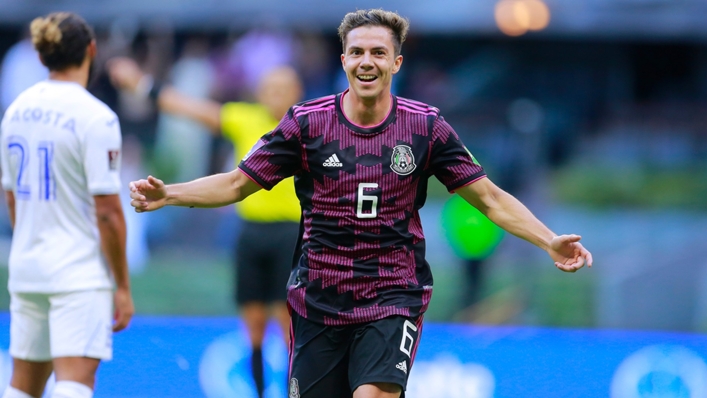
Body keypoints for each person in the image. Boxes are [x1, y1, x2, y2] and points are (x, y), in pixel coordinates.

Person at [128, 8, 592, 398]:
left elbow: (489, 199)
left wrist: (549, 240)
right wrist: (170, 194)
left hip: (392, 296)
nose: (366, 62)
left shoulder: (425, 127)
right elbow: (236, 185)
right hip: (317, 301)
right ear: (344, 59)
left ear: (396, 62)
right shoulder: (306, 124)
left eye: (378, 53)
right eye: (357, 52)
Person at [107, 58, 303, 398]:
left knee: (289, 329)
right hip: (252, 234)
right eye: (271, 89)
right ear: (260, 94)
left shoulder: (306, 127)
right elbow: (186, 107)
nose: (277, 96)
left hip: (291, 236)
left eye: (284, 90)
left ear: (297, 94)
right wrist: (141, 85)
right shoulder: (245, 118)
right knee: (253, 327)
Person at [0, 12, 133, 398]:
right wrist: (122, 285)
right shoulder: (96, 117)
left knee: (23, 385)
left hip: (28, 267)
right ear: (91, 50)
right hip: (77, 273)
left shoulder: (15, 111)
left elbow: (11, 196)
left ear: (43, 57)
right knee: (74, 384)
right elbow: (107, 211)